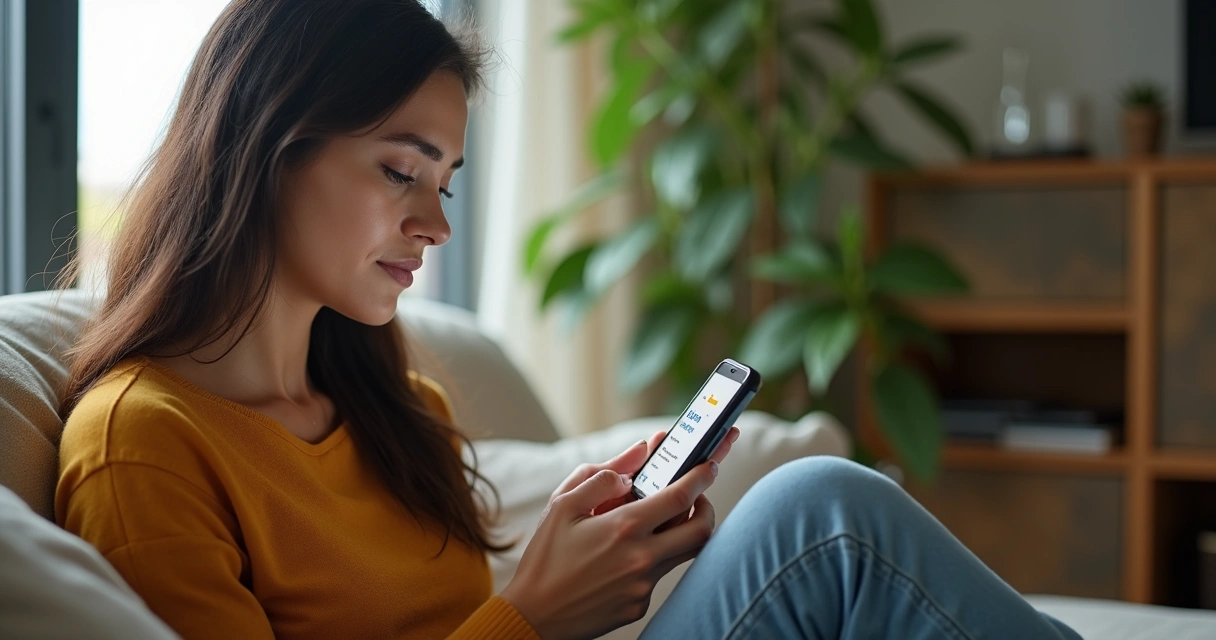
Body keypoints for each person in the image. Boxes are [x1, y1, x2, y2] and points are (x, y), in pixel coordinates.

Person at [54, 1, 1081, 638]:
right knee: (816, 523)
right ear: (265, 145)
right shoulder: (144, 444)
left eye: (446, 182)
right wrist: (532, 616)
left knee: (816, 521)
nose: (433, 223)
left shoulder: (395, 401)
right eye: (400, 170)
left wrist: (589, 556)